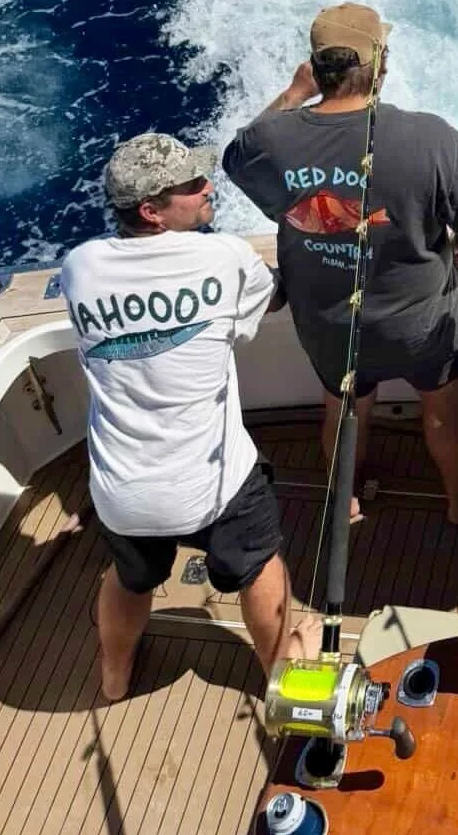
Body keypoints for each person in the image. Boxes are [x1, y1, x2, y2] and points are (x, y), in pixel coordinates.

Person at [223, 3, 458, 525]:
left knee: (343, 407)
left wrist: (294, 94)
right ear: (380, 64)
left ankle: (345, 498)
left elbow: (237, 156)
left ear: (315, 68)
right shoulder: (429, 136)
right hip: (420, 323)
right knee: (442, 404)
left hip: (327, 322)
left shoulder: (273, 140)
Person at [60, 133, 308, 703]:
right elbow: (268, 302)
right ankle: (280, 678)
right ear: (152, 211)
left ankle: (114, 675)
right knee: (260, 565)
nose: (207, 187)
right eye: (192, 185)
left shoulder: (80, 266)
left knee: (130, 578)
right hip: (213, 487)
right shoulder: (223, 256)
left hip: (121, 493)